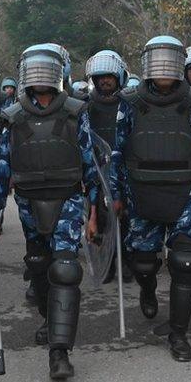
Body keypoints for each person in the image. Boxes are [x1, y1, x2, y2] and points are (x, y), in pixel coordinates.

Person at [0, 44, 99, 379]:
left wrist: (95, 212)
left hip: (67, 198)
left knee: (65, 268)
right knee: (39, 265)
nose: (40, 77)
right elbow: (0, 170)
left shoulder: (76, 112)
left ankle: (59, 354)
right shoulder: (14, 116)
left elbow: (92, 167)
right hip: (29, 201)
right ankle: (50, 319)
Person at [112, 36, 191, 362]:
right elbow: (117, 152)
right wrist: (115, 195)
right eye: (157, 60)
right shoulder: (129, 102)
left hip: (184, 192)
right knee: (143, 262)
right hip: (141, 192)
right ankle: (147, 288)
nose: (163, 68)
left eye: (169, 61)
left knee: (186, 263)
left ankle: (179, 334)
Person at [84, 50, 132, 284]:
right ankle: (108, 262)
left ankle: (128, 261)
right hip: (97, 169)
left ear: (119, 77)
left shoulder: (130, 103)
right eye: (100, 76)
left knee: (127, 216)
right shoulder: (86, 106)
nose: (105, 80)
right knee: (101, 217)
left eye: (109, 76)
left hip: (124, 168)